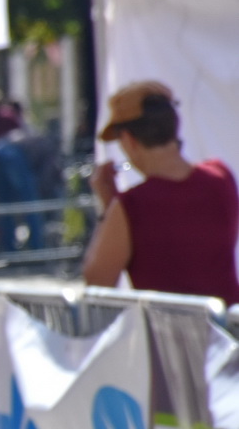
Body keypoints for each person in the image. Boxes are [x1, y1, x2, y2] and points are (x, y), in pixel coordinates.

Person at [83, 80, 239, 304]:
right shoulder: (221, 177)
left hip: (168, 335)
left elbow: (97, 282)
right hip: (228, 332)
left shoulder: (132, 206)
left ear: (129, 139)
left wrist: (107, 209)